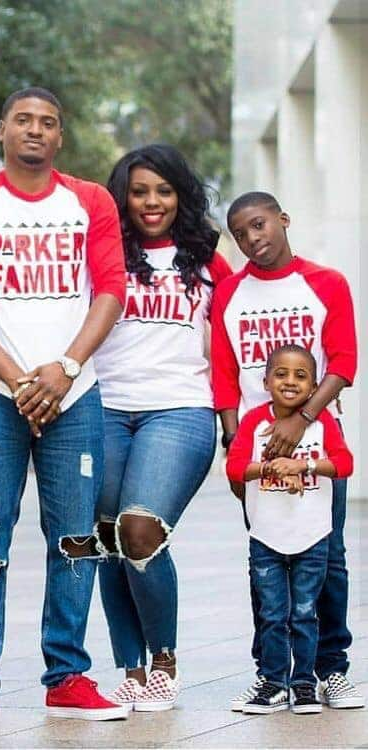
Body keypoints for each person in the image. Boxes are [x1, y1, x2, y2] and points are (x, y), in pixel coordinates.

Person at [0, 87, 128, 726]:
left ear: (59, 137)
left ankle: (67, 675)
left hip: (77, 396)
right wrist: (18, 379)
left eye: (47, 123)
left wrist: (65, 369)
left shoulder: (90, 202)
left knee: (75, 539)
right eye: (23, 120)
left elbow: (112, 289)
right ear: (3, 130)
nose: (35, 130)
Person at [92, 144, 232, 711]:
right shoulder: (99, 252)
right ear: (122, 196)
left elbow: (230, 344)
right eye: (140, 190)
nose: (152, 202)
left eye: (164, 191)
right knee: (106, 539)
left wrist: (238, 423)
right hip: (102, 409)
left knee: (140, 530)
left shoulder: (207, 258)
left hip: (179, 409)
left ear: (182, 195)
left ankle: (164, 663)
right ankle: (130, 667)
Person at [211, 191, 363, 710]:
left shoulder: (325, 283)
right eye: (241, 233)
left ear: (283, 220)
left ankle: (331, 669)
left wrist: (301, 421)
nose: (254, 239)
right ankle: (271, 676)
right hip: (259, 454)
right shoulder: (229, 294)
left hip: (318, 441)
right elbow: (225, 376)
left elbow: (343, 361)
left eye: (260, 225)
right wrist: (236, 447)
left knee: (329, 559)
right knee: (268, 560)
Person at [226, 344, 353, 714]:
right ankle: (273, 682)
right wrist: (270, 468)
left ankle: (305, 684)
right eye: (281, 374)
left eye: (301, 376)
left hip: (313, 538)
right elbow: (235, 469)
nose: (290, 381)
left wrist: (303, 466)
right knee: (272, 613)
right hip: (266, 537)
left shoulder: (323, 422)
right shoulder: (253, 422)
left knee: (304, 613)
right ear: (265, 381)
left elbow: (344, 463)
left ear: (314, 387)